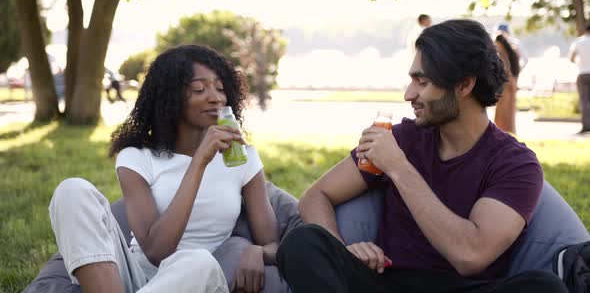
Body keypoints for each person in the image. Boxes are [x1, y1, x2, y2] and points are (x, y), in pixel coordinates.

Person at [277, 20, 568, 293]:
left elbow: (470, 255)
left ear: (464, 85)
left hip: (464, 287)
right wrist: (343, 250)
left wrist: (399, 168)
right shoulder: (402, 138)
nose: (408, 94)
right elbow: (316, 196)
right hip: (389, 283)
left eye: (422, 82)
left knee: (544, 287)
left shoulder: (515, 164)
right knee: (301, 243)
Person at [48, 45, 279, 293]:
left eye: (220, 88)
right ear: (170, 96)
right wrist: (199, 161)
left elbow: (274, 245)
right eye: (199, 89)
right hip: (131, 277)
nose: (216, 97)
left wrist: (256, 251)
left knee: (198, 260)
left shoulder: (244, 159)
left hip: (197, 279)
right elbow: (156, 251)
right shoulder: (137, 157)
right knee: (72, 190)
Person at [494, 33, 521, 134]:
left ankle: (503, 131)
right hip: (512, 83)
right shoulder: (512, 52)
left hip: (506, 84)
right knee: (509, 111)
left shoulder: (501, 52)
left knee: (503, 111)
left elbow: (504, 69)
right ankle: (508, 130)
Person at [569, 23, 590, 133]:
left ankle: (586, 126)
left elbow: (571, 58)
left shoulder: (578, 42)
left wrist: (580, 62)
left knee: (584, 101)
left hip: (582, 73)